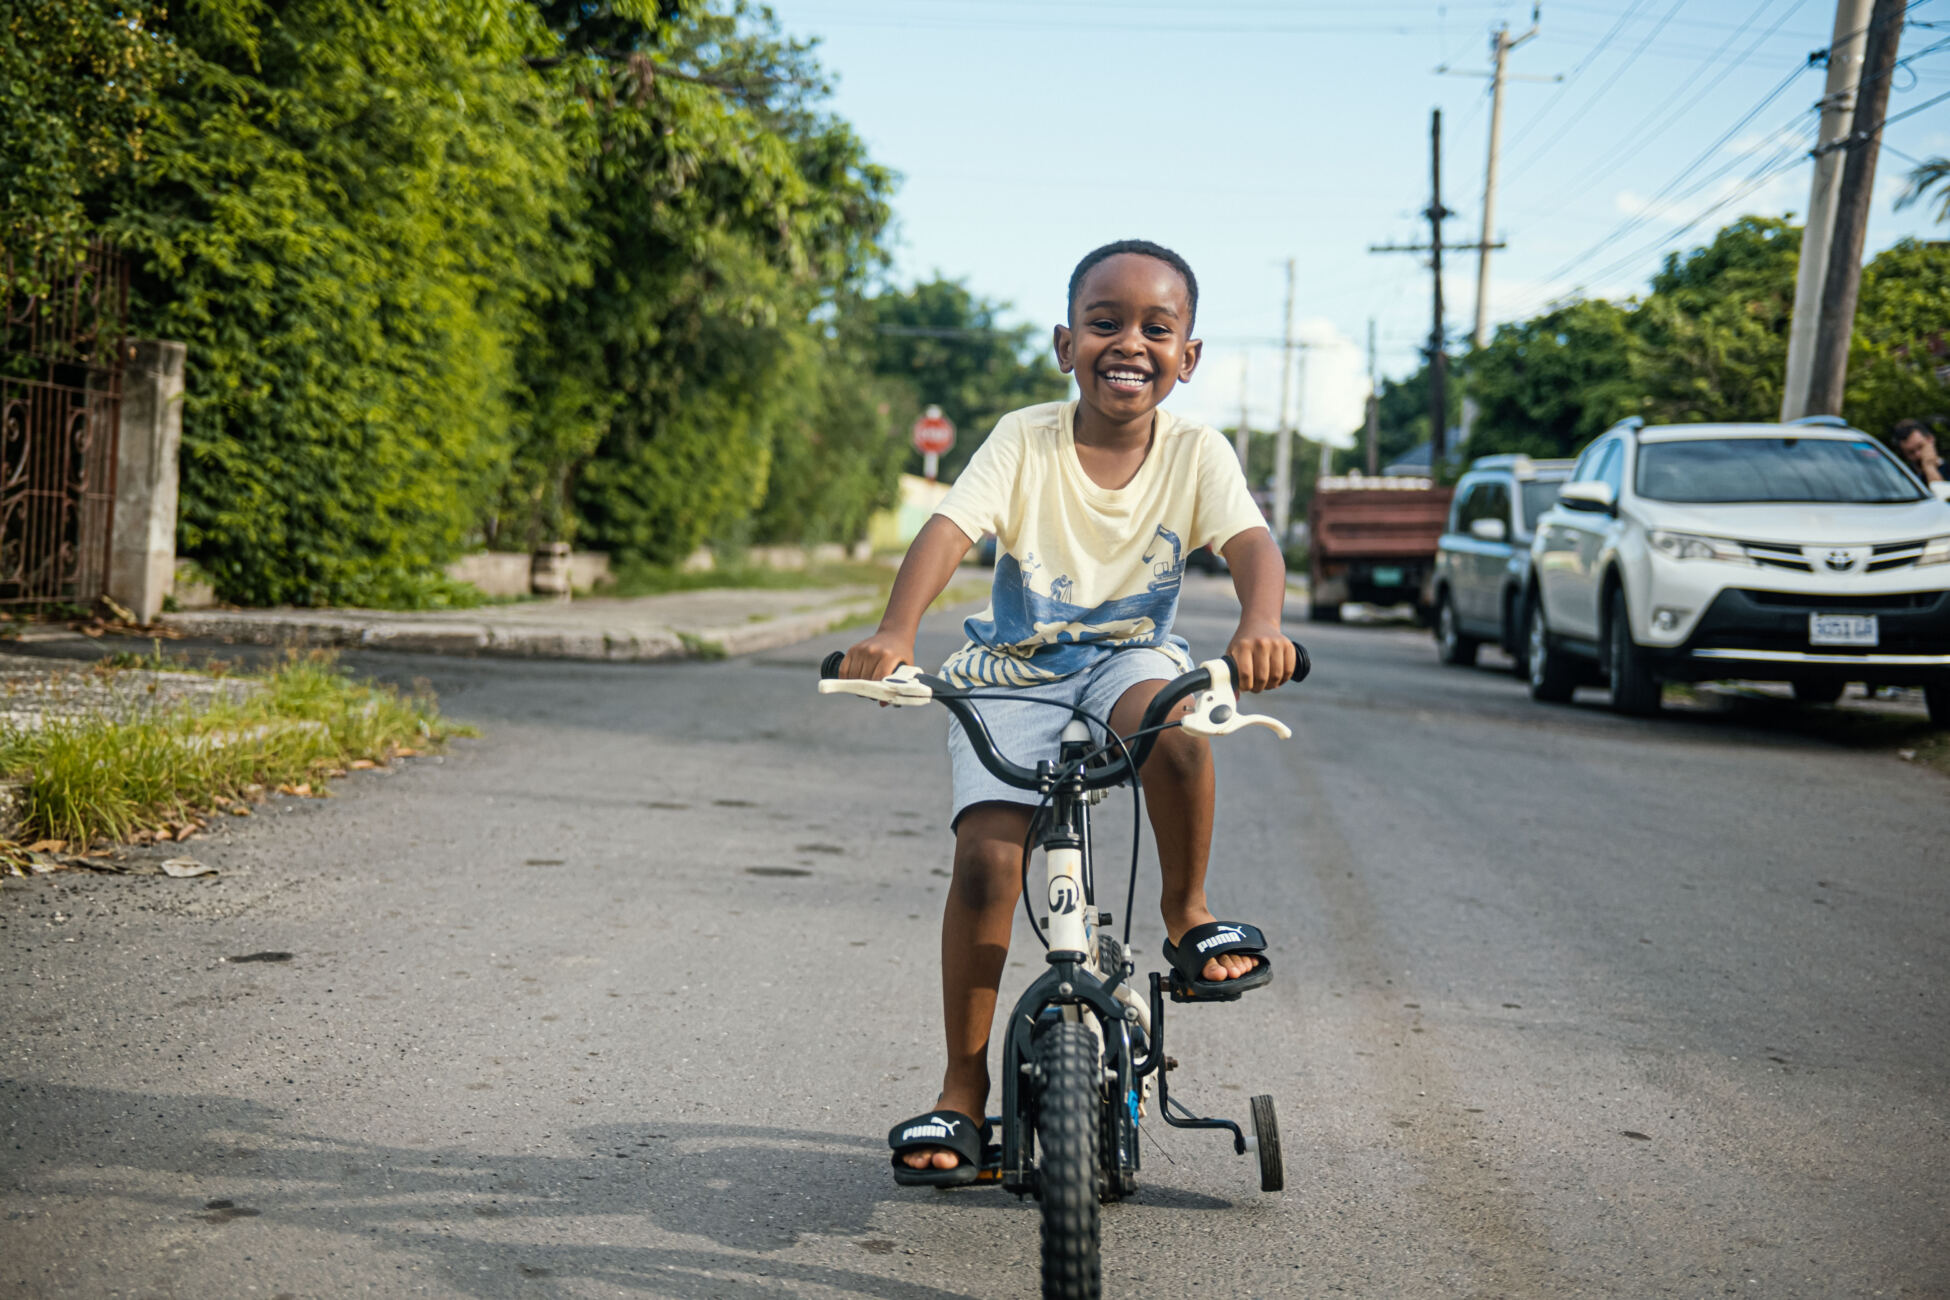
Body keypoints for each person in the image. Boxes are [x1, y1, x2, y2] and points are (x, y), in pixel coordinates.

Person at [836, 239, 1297, 1183]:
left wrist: (1261, 625)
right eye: (1104, 323)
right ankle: (964, 1089)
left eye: (1156, 329)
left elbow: (1251, 542)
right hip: (1013, 672)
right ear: (1066, 343)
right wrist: (894, 631)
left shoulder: (1198, 452)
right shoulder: (1025, 438)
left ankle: (1186, 912)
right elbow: (948, 530)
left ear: (1188, 356)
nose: (1129, 343)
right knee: (986, 862)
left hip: (1124, 659)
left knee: (1175, 721)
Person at [1894, 418, 1943, 484]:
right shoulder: (1906, 482)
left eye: (1920, 447)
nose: (1918, 454)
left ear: (1930, 439)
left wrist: (1929, 467)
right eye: (1911, 452)